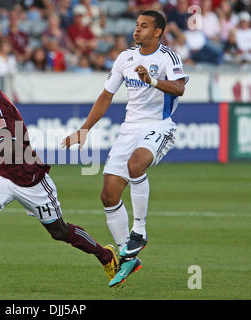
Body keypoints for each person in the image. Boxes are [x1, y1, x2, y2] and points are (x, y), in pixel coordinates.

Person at [0, 60, 119, 296]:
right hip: (4, 175)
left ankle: (106, 256)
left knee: (59, 231)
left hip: (31, 179)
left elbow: (12, 148)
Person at [62, 10, 189, 288]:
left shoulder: (168, 57)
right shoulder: (125, 58)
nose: (137, 30)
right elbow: (106, 96)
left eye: (144, 26)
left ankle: (139, 231)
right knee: (108, 194)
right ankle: (127, 255)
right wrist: (84, 129)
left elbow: (179, 89)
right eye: (136, 25)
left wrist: (152, 81)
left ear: (157, 32)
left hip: (159, 125)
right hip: (129, 129)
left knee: (136, 165)